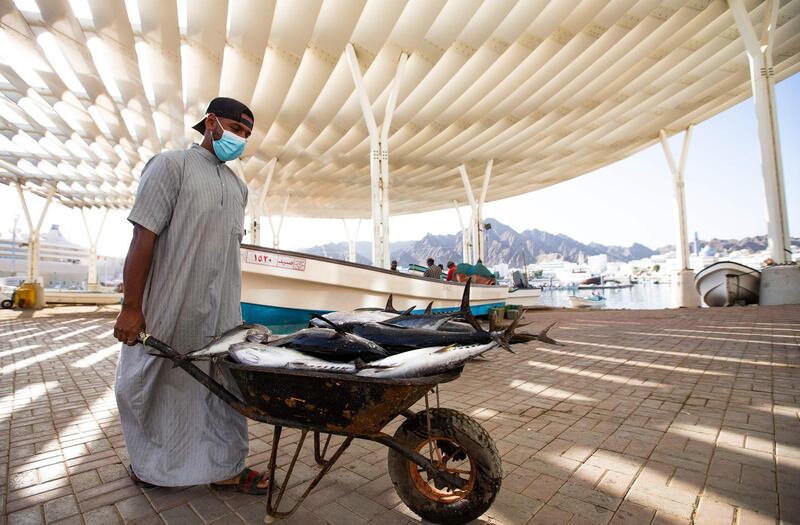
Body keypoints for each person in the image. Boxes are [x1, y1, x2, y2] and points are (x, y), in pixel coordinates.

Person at [113, 97, 269, 494]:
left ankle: (227, 468)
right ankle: (151, 467)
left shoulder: (238, 188)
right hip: (169, 304)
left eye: (247, 135)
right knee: (156, 382)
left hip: (221, 313)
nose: (241, 140)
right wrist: (131, 307)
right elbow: (142, 236)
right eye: (236, 129)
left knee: (221, 387)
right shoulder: (171, 166)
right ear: (211, 123)